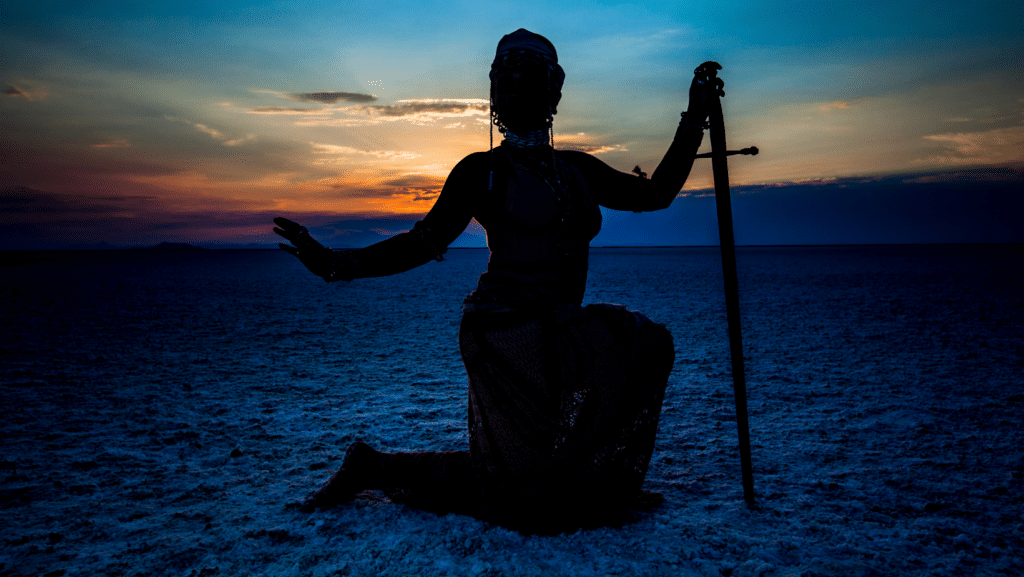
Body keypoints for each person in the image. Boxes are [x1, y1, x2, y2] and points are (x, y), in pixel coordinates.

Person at [274, 29, 717, 533]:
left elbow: (654, 194)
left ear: (554, 91)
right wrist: (336, 264)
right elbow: (421, 244)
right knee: (515, 495)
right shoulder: (480, 172)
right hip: (505, 334)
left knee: (644, 347)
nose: (515, 95)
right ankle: (371, 466)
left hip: (560, 326)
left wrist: (695, 117)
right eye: (503, 85)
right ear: (492, 97)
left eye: (528, 82)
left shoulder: (576, 170)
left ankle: (588, 479)